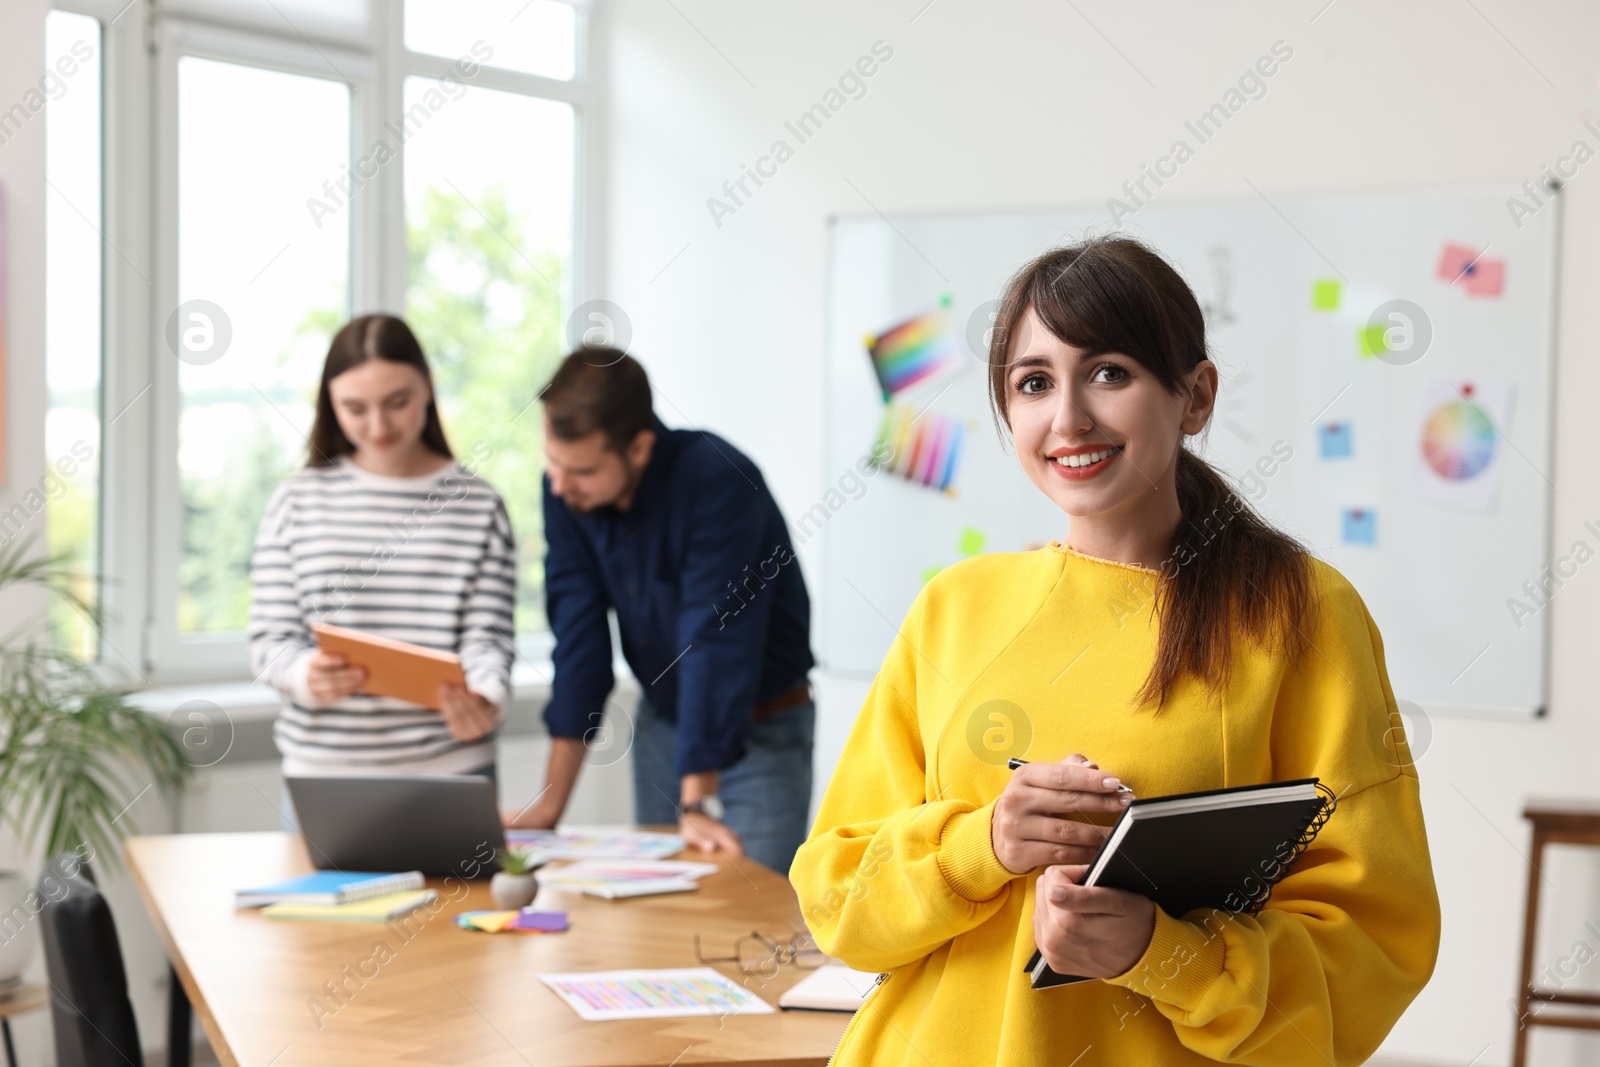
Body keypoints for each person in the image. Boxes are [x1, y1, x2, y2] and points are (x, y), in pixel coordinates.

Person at [791, 237, 1440, 1065]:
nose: (1068, 419)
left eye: (1109, 372)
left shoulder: (1301, 611)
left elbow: (1375, 944)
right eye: (1033, 383)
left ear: (1194, 395)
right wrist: (982, 843)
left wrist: (1160, 952)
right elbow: (837, 898)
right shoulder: (953, 606)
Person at [506, 348, 815, 876]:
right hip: (664, 724)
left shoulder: (720, 481)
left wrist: (695, 804)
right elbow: (579, 644)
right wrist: (548, 807)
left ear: (640, 446)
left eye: (579, 469)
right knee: (664, 914)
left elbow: (712, 639)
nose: (558, 484)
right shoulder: (566, 493)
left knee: (749, 911)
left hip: (763, 731)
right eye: (551, 463)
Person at [248, 314, 516, 796]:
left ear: (428, 389)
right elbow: (269, 642)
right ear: (329, 403)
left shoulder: (479, 503)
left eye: (397, 403)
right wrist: (305, 674)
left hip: (453, 771)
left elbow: (488, 640)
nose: (378, 426)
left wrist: (486, 696)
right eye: (355, 408)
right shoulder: (295, 499)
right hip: (323, 776)